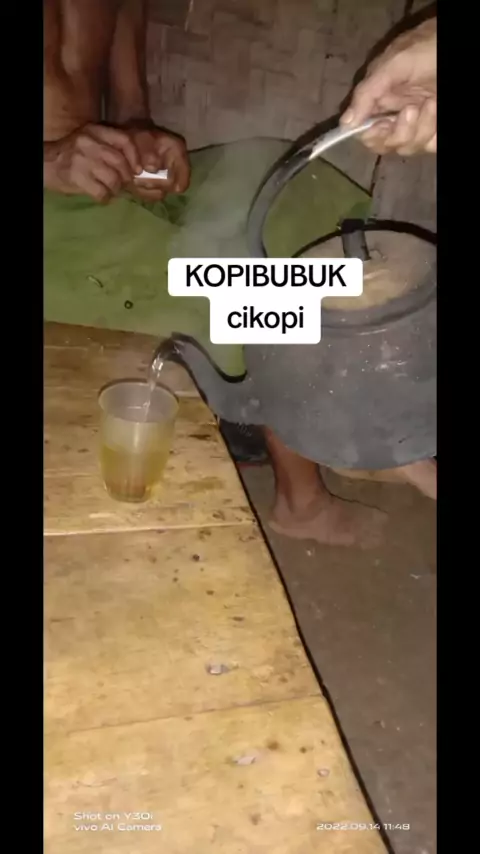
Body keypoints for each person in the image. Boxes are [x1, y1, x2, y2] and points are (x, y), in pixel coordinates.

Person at [44, 2, 434, 550]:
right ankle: (305, 496)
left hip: (109, 189)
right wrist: (51, 161)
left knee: (283, 191)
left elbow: (131, 108)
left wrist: (144, 146)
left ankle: (350, 403)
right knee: (230, 284)